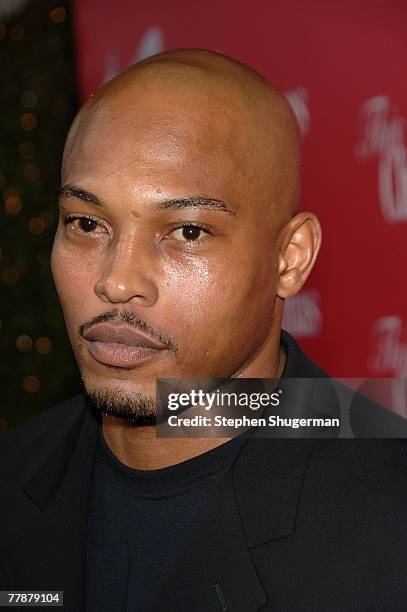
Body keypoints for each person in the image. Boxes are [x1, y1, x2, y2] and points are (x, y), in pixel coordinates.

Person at [1, 49, 406, 612]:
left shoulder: (389, 519)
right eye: (87, 223)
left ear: (289, 259)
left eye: (187, 232)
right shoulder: (13, 472)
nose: (117, 282)